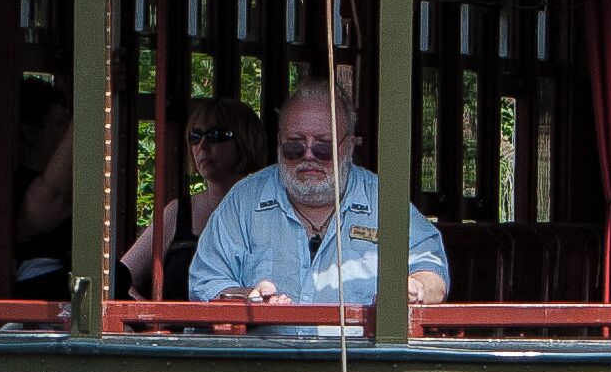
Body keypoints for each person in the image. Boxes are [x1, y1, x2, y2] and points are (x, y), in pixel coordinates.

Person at [191, 79, 449, 323]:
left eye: (323, 147)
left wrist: (416, 287)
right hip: (267, 362)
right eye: (295, 145)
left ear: (348, 146)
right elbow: (206, 280)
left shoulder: (384, 200)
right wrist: (246, 297)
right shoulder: (244, 200)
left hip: (361, 366)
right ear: (280, 141)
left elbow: (432, 271)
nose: (308, 156)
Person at [122, 97, 265, 297]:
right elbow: (120, 279)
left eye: (215, 135)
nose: (202, 145)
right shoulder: (178, 213)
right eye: (195, 137)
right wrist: (153, 321)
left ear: (246, 139)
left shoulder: (272, 208)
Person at [13, 77, 72, 302]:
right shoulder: (14, 187)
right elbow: (54, 198)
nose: (66, 133)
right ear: (29, 131)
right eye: (59, 124)